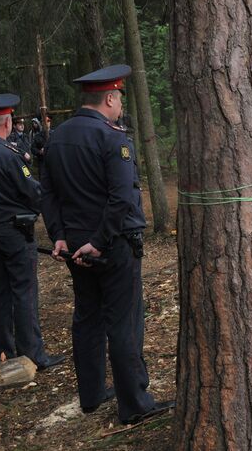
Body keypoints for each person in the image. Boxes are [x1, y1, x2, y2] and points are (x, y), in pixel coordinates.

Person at [41, 64, 173, 424]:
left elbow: (48, 194)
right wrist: (98, 242)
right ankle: (134, 403)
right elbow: (121, 199)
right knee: (124, 321)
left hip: (75, 245)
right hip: (110, 246)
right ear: (111, 98)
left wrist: (60, 236)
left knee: (87, 316)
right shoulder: (113, 138)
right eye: (118, 99)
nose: (119, 106)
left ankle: (92, 393)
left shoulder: (58, 137)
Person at [0, 94, 65, 371]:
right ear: (7, 122)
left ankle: (1, 351)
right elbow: (32, 192)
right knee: (24, 291)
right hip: (14, 232)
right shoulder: (9, 156)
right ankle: (32, 353)